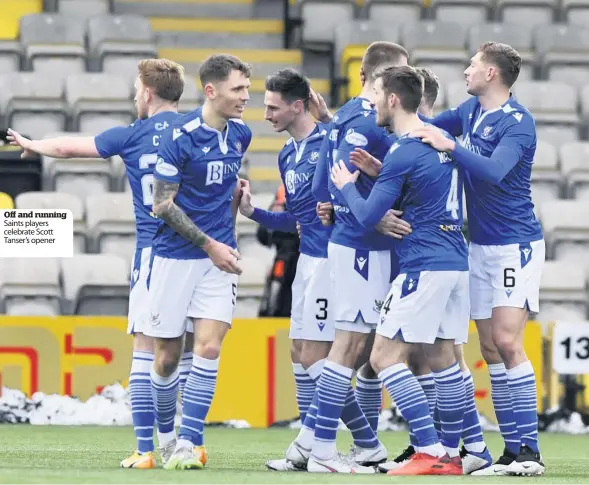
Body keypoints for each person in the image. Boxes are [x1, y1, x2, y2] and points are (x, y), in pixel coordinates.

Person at [7, 58, 191, 469]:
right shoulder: (200, 129)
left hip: (155, 254)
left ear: (146, 92)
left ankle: (147, 448)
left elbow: (71, 147)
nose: (133, 95)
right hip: (201, 254)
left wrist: (34, 144)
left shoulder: (131, 134)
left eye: (135, 88)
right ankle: (183, 440)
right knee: (194, 351)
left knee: (146, 350)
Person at [411, 42, 545, 476]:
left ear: (491, 74)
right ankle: (511, 452)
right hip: (479, 245)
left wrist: (448, 145)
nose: (465, 71)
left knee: (507, 343)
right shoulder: (470, 113)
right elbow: (423, 126)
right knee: (488, 348)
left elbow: (491, 171)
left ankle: (530, 452)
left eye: (472, 65)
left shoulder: (519, 123)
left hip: (514, 244)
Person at [350, 67, 493, 475]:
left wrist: (346, 184)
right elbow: (425, 187)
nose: (372, 101)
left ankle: (429, 449)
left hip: (423, 265)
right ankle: (466, 451)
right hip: (454, 262)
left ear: (393, 99)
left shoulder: (404, 150)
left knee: (382, 357)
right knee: (444, 359)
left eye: (376, 93)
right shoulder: (440, 144)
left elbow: (366, 216)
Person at [302, 42, 409, 474]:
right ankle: (324, 452)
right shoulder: (373, 122)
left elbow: (319, 187)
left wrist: (349, 211)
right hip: (365, 248)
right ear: (384, 81)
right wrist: (373, 218)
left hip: (349, 244)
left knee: (357, 349)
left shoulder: (341, 116)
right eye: (403, 76)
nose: (408, 85)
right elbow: (346, 182)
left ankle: (344, 446)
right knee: (347, 348)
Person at [145, 53, 252, 471]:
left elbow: (223, 191)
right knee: (168, 358)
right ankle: (167, 438)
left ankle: (189, 441)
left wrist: (234, 224)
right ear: (211, 91)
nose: (245, 97)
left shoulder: (240, 135)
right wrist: (210, 244)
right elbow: (161, 204)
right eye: (238, 89)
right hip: (176, 257)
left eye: (246, 88)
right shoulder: (179, 136)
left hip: (218, 258)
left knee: (208, 347)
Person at [256, 183, 300, 318]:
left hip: (307, 256)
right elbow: (263, 233)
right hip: (283, 258)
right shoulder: (283, 189)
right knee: (276, 299)